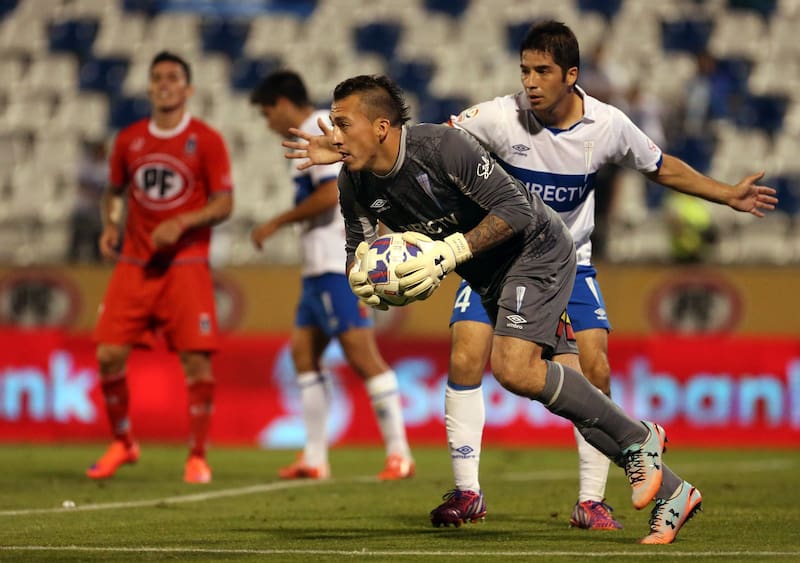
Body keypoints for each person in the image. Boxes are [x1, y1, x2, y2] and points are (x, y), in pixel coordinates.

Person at [284, 74, 715, 544]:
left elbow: (516, 210)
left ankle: (640, 440)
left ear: (381, 126)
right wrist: (367, 281)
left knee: (513, 368)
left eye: (344, 124)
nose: (335, 135)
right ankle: (673, 490)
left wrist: (446, 253)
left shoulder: (443, 148)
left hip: (537, 248)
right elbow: (358, 249)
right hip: (487, 274)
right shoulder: (354, 182)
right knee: (571, 390)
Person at [440, 20, 778, 532]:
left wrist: (726, 193)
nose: (530, 82)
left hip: (568, 263)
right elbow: (435, 149)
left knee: (593, 370)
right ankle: (467, 493)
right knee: (467, 350)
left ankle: (591, 501)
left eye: (543, 72)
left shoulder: (607, 125)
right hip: (499, 263)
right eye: (525, 70)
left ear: (571, 75)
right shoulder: (496, 117)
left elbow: (660, 166)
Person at [248, 70, 414, 480]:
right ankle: (315, 457)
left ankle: (400, 454)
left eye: (267, 112)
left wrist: (278, 221)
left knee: (362, 355)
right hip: (315, 269)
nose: (267, 122)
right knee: (304, 353)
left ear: (283, 103)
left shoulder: (320, 129)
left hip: (335, 265)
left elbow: (328, 194)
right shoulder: (320, 127)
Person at [87, 51, 234, 484]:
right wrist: (110, 225)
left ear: (188, 89)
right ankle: (123, 442)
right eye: (157, 78)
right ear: (149, 87)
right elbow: (113, 191)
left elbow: (225, 203)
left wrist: (182, 221)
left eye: (173, 77)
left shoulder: (206, 139)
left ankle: (197, 455)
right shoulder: (129, 139)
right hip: (135, 261)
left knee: (196, 364)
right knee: (108, 354)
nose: (165, 84)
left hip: (185, 263)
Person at [68, 139, 107, 263]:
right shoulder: (86, 165)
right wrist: (95, 195)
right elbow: (81, 185)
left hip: (98, 211)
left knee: (97, 241)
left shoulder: (107, 167)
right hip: (84, 209)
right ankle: (72, 263)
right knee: (78, 239)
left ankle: (97, 266)